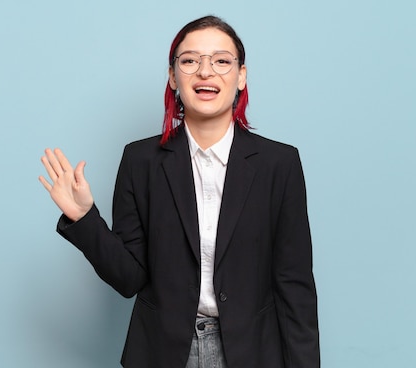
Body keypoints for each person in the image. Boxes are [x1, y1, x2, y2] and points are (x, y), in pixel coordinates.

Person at [40, 15, 319, 368]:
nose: (206, 71)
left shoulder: (279, 164)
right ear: (173, 77)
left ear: (241, 76)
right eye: (189, 61)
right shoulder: (140, 160)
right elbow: (129, 279)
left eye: (221, 60)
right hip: (162, 352)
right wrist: (84, 219)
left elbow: (295, 285)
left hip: (252, 352)